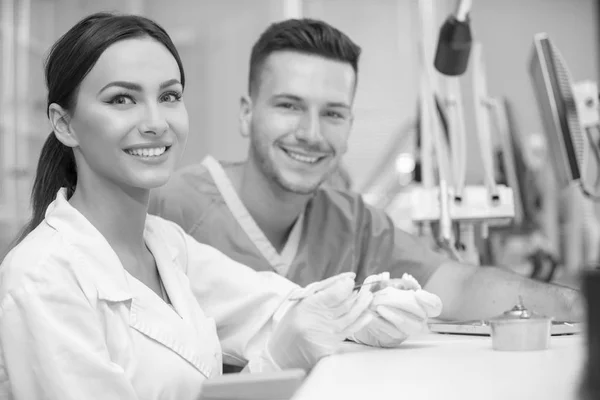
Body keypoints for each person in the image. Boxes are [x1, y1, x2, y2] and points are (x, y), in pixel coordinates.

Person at [0, 13, 431, 400]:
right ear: (64, 123)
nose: (155, 122)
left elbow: (277, 307)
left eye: (169, 96)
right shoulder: (42, 278)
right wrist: (276, 362)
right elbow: (283, 334)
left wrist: (366, 311)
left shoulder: (165, 245)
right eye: (121, 99)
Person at [149, 18, 582, 325]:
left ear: (350, 125)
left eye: (333, 113)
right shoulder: (169, 210)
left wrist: (577, 306)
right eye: (289, 106)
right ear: (247, 114)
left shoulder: (352, 222)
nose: (311, 133)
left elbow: (460, 285)